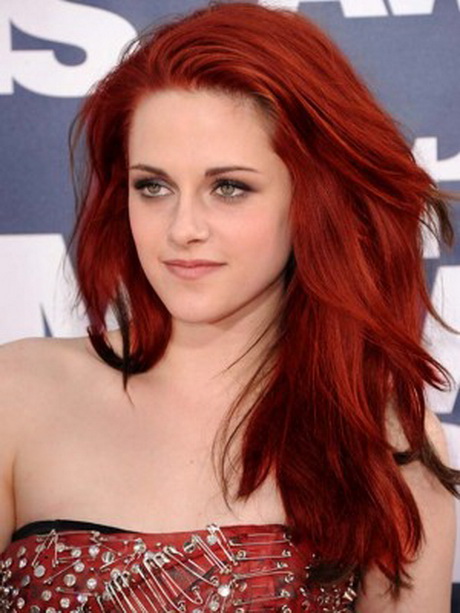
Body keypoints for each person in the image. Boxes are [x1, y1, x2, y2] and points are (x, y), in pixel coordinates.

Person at [0, 2, 458, 611]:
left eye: (229, 187)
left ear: (312, 199)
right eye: (153, 186)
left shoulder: (384, 438)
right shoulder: (17, 392)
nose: (182, 228)